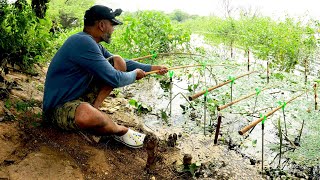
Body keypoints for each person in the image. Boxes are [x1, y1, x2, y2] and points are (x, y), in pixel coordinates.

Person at [43, 5, 168, 148]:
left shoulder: (91, 42)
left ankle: (95, 110)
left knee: (118, 60)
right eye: (112, 24)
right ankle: (119, 130)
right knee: (86, 115)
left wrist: (153, 68)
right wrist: (134, 75)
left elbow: (122, 63)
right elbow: (115, 78)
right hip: (57, 109)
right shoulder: (83, 42)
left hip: (75, 97)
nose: (113, 29)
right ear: (102, 25)